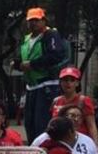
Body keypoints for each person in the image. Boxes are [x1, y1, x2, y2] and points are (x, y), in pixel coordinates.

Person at [14, 7, 67, 142]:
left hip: (46, 85)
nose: (33, 23)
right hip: (31, 86)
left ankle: (44, 150)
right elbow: (20, 56)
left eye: (36, 20)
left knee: (41, 123)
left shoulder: (50, 35)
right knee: (29, 123)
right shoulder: (26, 39)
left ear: (44, 21)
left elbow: (56, 55)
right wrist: (17, 63)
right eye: (30, 21)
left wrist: (32, 64)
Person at [50, 66, 98, 143]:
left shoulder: (84, 100)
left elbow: (91, 126)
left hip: (79, 143)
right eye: (65, 80)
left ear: (77, 83)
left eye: (72, 80)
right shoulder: (56, 101)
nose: (68, 83)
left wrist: (96, 145)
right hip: (59, 142)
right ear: (60, 82)